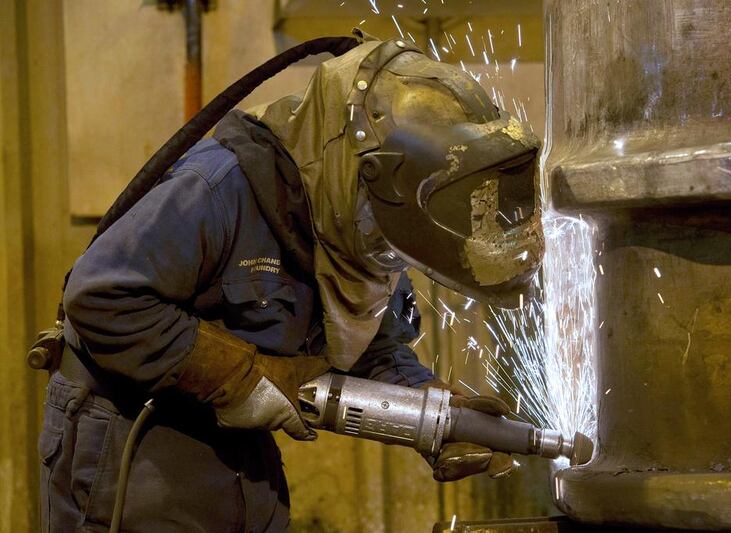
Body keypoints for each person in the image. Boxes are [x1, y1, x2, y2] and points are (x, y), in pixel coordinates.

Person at [38, 33, 542, 532]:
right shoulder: (219, 189)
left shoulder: (369, 229)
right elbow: (100, 296)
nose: (389, 260)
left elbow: (374, 351)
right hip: (132, 446)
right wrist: (242, 375)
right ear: (362, 172)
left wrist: (432, 409)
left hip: (240, 455)